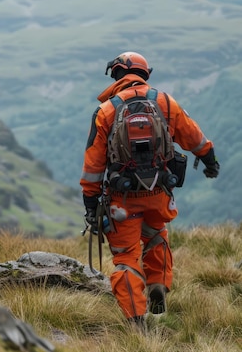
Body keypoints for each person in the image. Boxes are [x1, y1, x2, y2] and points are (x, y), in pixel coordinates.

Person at [80, 52, 219, 326]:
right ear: (146, 74)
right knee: (157, 236)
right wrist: (209, 160)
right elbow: (194, 137)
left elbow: (93, 166)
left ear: (117, 75)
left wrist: (90, 203)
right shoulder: (165, 103)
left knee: (125, 259)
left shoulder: (106, 111)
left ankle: (135, 320)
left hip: (122, 199)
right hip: (159, 193)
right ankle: (158, 284)